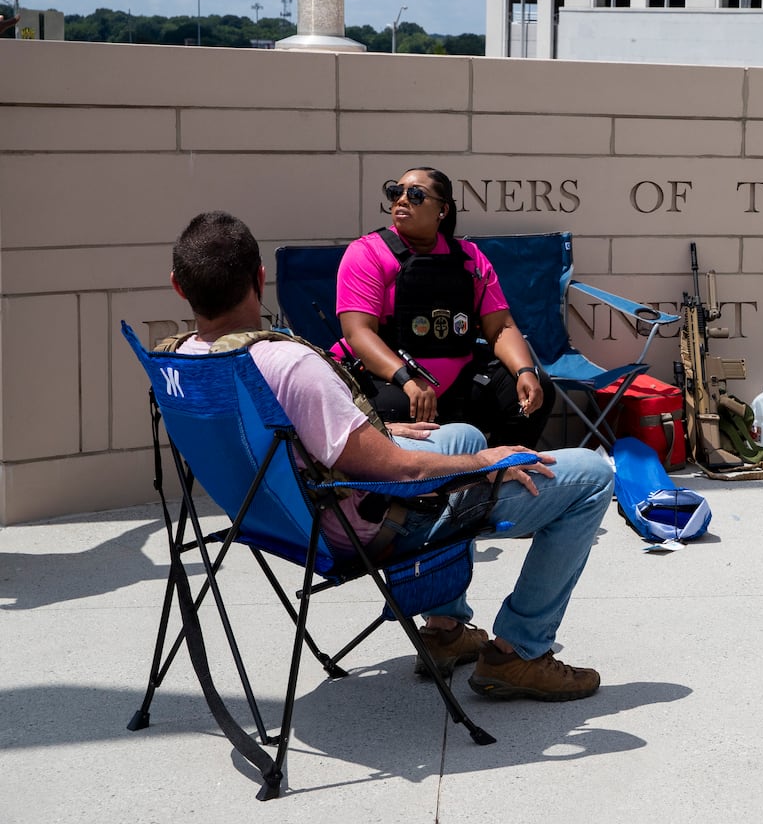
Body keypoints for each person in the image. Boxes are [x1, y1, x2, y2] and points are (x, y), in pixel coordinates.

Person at [169, 210, 611, 702]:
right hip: (369, 522)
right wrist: (492, 462)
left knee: (460, 432)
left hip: (281, 522)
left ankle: (444, 631)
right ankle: (519, 654)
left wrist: (372, 428)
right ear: (259, 277)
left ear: (179, 287)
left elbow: (281, 439)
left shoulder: (181, 362)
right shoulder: (288, 364)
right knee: (590, 476)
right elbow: (404, 470)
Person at [336, 167, 557, 447]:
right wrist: (407, 378)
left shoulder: (469, 257)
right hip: (391, 377)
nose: (402, 200)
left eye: (415, 195)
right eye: (396, 192)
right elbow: (358, 334)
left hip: (459, 381)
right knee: (399, 410)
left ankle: (498, 478)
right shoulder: (366, 253)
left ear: (442, 210)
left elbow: (501, 326)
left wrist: (525, 372)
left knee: (536, 391)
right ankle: (415, 488)